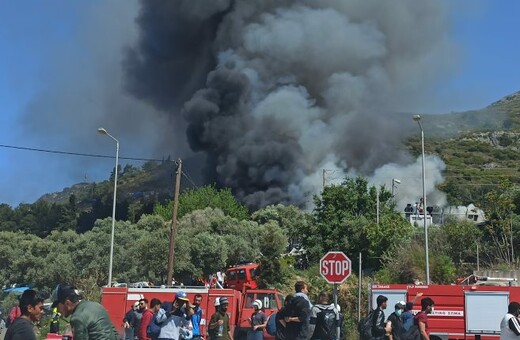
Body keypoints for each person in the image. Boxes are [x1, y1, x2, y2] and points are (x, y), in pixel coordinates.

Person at [52, 284, 118, 340]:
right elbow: (114, 332)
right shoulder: (96, 306)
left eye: (57, 306)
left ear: (67, 303)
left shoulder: (77, 318)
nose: (58, 310)